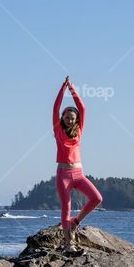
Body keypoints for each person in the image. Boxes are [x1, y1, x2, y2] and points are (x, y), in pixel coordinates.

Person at [53, 75, 103, 254]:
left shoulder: (79, 130)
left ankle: (75, 222)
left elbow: (82, 107)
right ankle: (68, 244)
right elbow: (56, 107)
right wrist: (63, 88)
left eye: (72, 117)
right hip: (63, 175)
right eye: (67, 117)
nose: (70, 119)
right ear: (63, 117)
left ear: (76, 119)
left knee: (97, 198)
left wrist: (72, 89)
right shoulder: (58, 129)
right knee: (66, 206)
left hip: (79, 173)